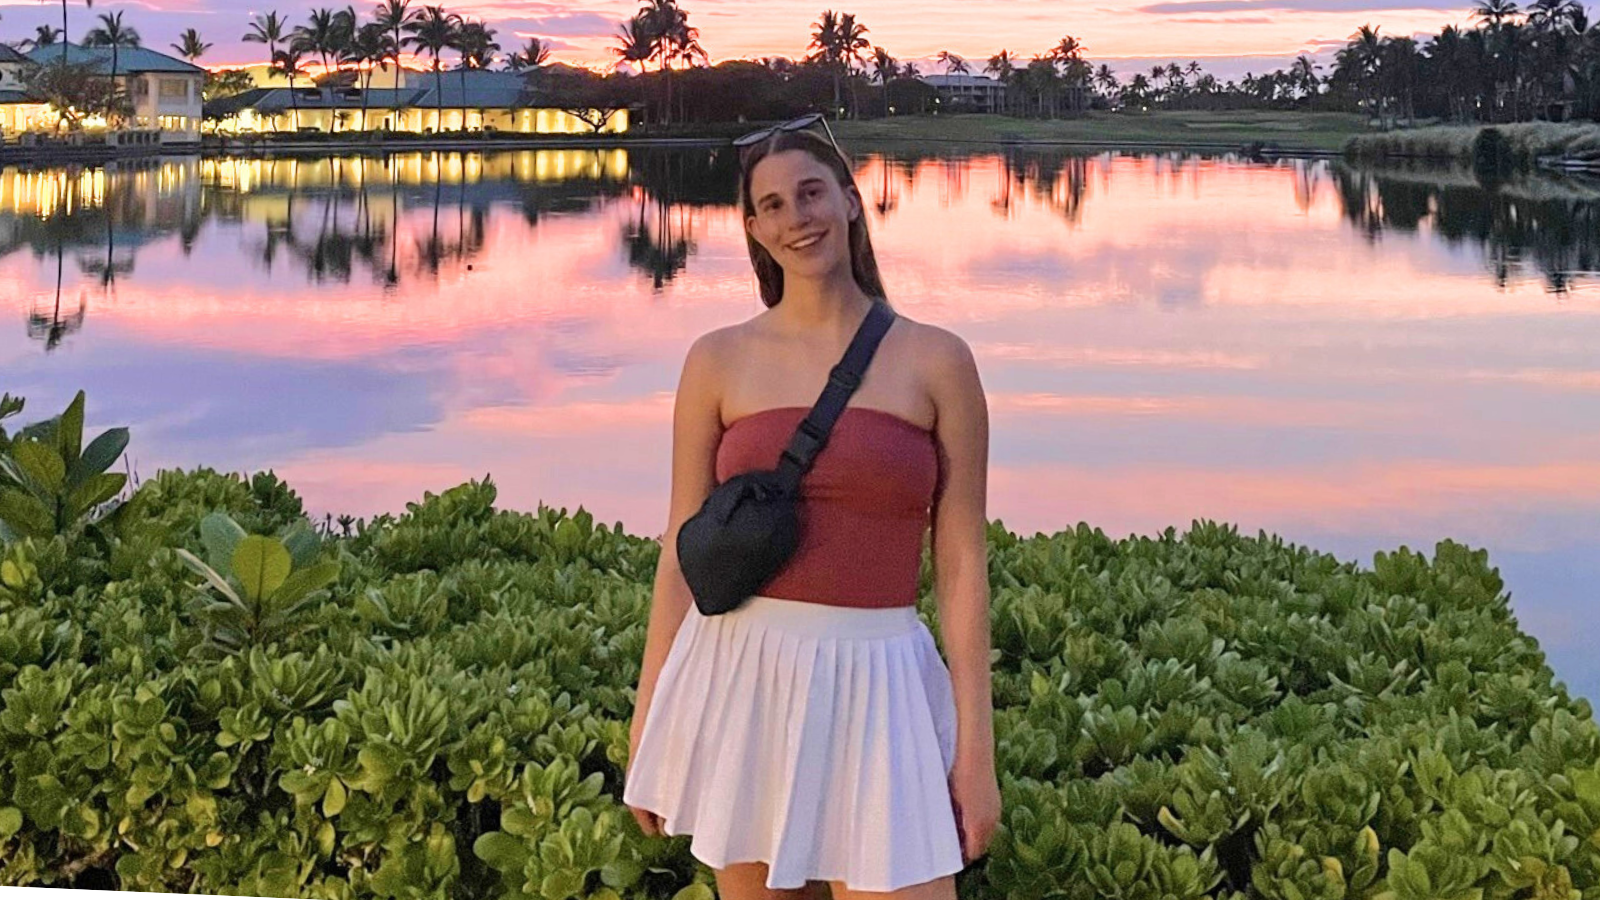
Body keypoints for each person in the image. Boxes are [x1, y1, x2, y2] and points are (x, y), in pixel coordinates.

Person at [622, 114, 999, 900]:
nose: (798, 219)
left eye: (811, 193)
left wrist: (976, 749)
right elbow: (680, 554)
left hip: (883, 677)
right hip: (745, 680)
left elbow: (960, 562)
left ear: (852, 201)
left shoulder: (937, 361)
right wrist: (648, 723)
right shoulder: (717, 360)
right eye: (773, 206)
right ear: (754, 230)